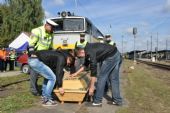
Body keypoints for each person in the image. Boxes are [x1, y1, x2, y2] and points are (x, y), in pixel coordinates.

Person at [28, 19, 58, 96]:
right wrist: (32, 54)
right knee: (34, 74)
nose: (53, 29)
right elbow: (31, 43)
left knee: (47, 73)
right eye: (52, 27)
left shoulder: (51, 33)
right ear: (47, 25)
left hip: (46, 56)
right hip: (36, 55)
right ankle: (34, 90)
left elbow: (50, 46)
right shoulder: (36, 31)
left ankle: (44, 90)